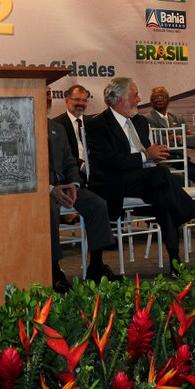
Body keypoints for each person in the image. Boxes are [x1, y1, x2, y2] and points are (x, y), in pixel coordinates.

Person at [86, 77, 195, 274]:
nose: (138, 99)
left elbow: (147, 155)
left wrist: (154, 155)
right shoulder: (98, 125)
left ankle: (175, 262)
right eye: (135, 96)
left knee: (163, 194)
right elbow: (109, 162)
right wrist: (145, 156)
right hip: (113, 180)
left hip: (143, 178)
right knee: (162, 175)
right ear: (119, 100)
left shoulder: (139, 121)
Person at [47, 91, 119, 292]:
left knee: (98, 204)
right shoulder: (24, 128)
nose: (47, 100)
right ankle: (54, 271)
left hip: (67, 187)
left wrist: (75, 185)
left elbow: (70, 162)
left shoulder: (57, 129)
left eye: (49, 96)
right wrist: (51, 189)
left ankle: (96, 266)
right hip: (43, 191)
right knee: (50, 211)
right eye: (42, 95)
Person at [143, 86, 195, 185]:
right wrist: (182, 137)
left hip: (182, 160)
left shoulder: (178, 118)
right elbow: (157, 141)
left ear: (169, 100)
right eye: (155, 97)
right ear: (151, 101)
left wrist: (176, 138)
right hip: (162, 162)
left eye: (162, 96)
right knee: (179, 177)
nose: (159, 99)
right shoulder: (145, 119)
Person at [52, 85, 92, 177]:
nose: (81, 103)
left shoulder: (92, 123)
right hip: (70, 175)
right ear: (67, 100)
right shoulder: (57, 124)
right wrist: (82, 166)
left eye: (84, 100)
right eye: (77, 100)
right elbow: (60, 153)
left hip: (94, 174)